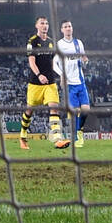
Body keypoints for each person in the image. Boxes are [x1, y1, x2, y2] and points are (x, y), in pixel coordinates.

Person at [21, 16, 70, 150]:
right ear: (37, 26)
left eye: (46, 23)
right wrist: (39, 75)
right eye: (42, 23)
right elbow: (31, 62)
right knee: (29, 110)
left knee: (54, 107)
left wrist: (62, 75)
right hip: (35, 83)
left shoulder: (51, 42)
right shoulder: (32, 42)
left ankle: (57, 139)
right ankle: (23, 136)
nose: (45, 25)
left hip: (50, 83)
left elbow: (54, 62)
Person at [54, 20, 91, 147]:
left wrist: (86, 61)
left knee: (86, 110)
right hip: (69, 84)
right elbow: (54, 64)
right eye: (65, 27)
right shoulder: (59, 45)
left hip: (81, 81)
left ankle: (79, 130)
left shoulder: (78, 43)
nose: (68, 28)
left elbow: (83, 59)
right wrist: (61, 75)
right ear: (62, 30)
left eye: (70, 26)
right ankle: (76, 138)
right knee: (75, 111)